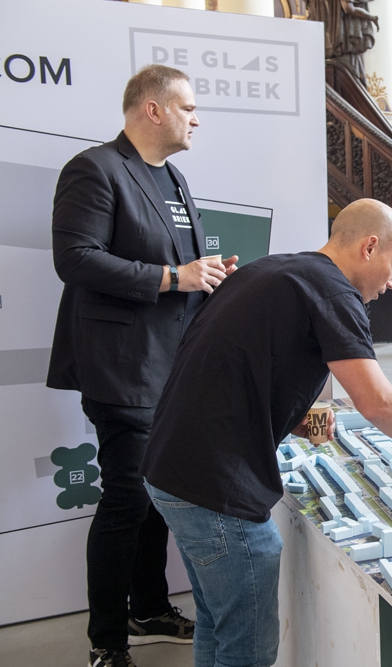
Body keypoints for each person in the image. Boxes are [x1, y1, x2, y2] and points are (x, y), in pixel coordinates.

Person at [140, 199, 392, 667]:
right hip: (213, 487)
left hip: (170, 469)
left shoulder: (278, 270)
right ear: (369, 246)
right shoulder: (333, 293)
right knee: (247, 646)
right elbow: (379, 402)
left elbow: (236, 366)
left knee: (218, 624)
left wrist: (293, 418)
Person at [46, 64, 238, 667]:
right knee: (127, 498)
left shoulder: (174, 178)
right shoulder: (95, 169)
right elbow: (75, 259)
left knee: (160, 493)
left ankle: (150, 606)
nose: (196, 118)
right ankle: (107, 641)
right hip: (122, 369)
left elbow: (182, 267)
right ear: (151, 110)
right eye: (187, 107)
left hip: (173, 368)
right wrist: (169, 277)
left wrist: (204, 277)